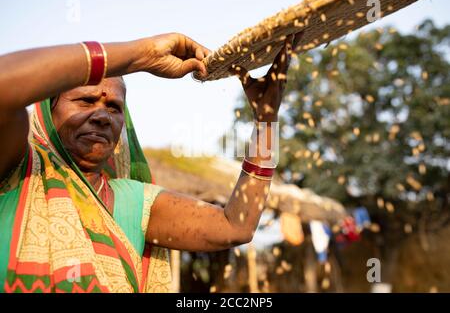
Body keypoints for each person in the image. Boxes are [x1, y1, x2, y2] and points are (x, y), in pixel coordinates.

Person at [0, 32, 299, 292]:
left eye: (114, 107)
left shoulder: (134, 201)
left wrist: (266, 120)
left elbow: (236, 226)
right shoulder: (18, 168)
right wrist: (142, 56)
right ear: (48, 113)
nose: (102, 115)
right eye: (86, 101)